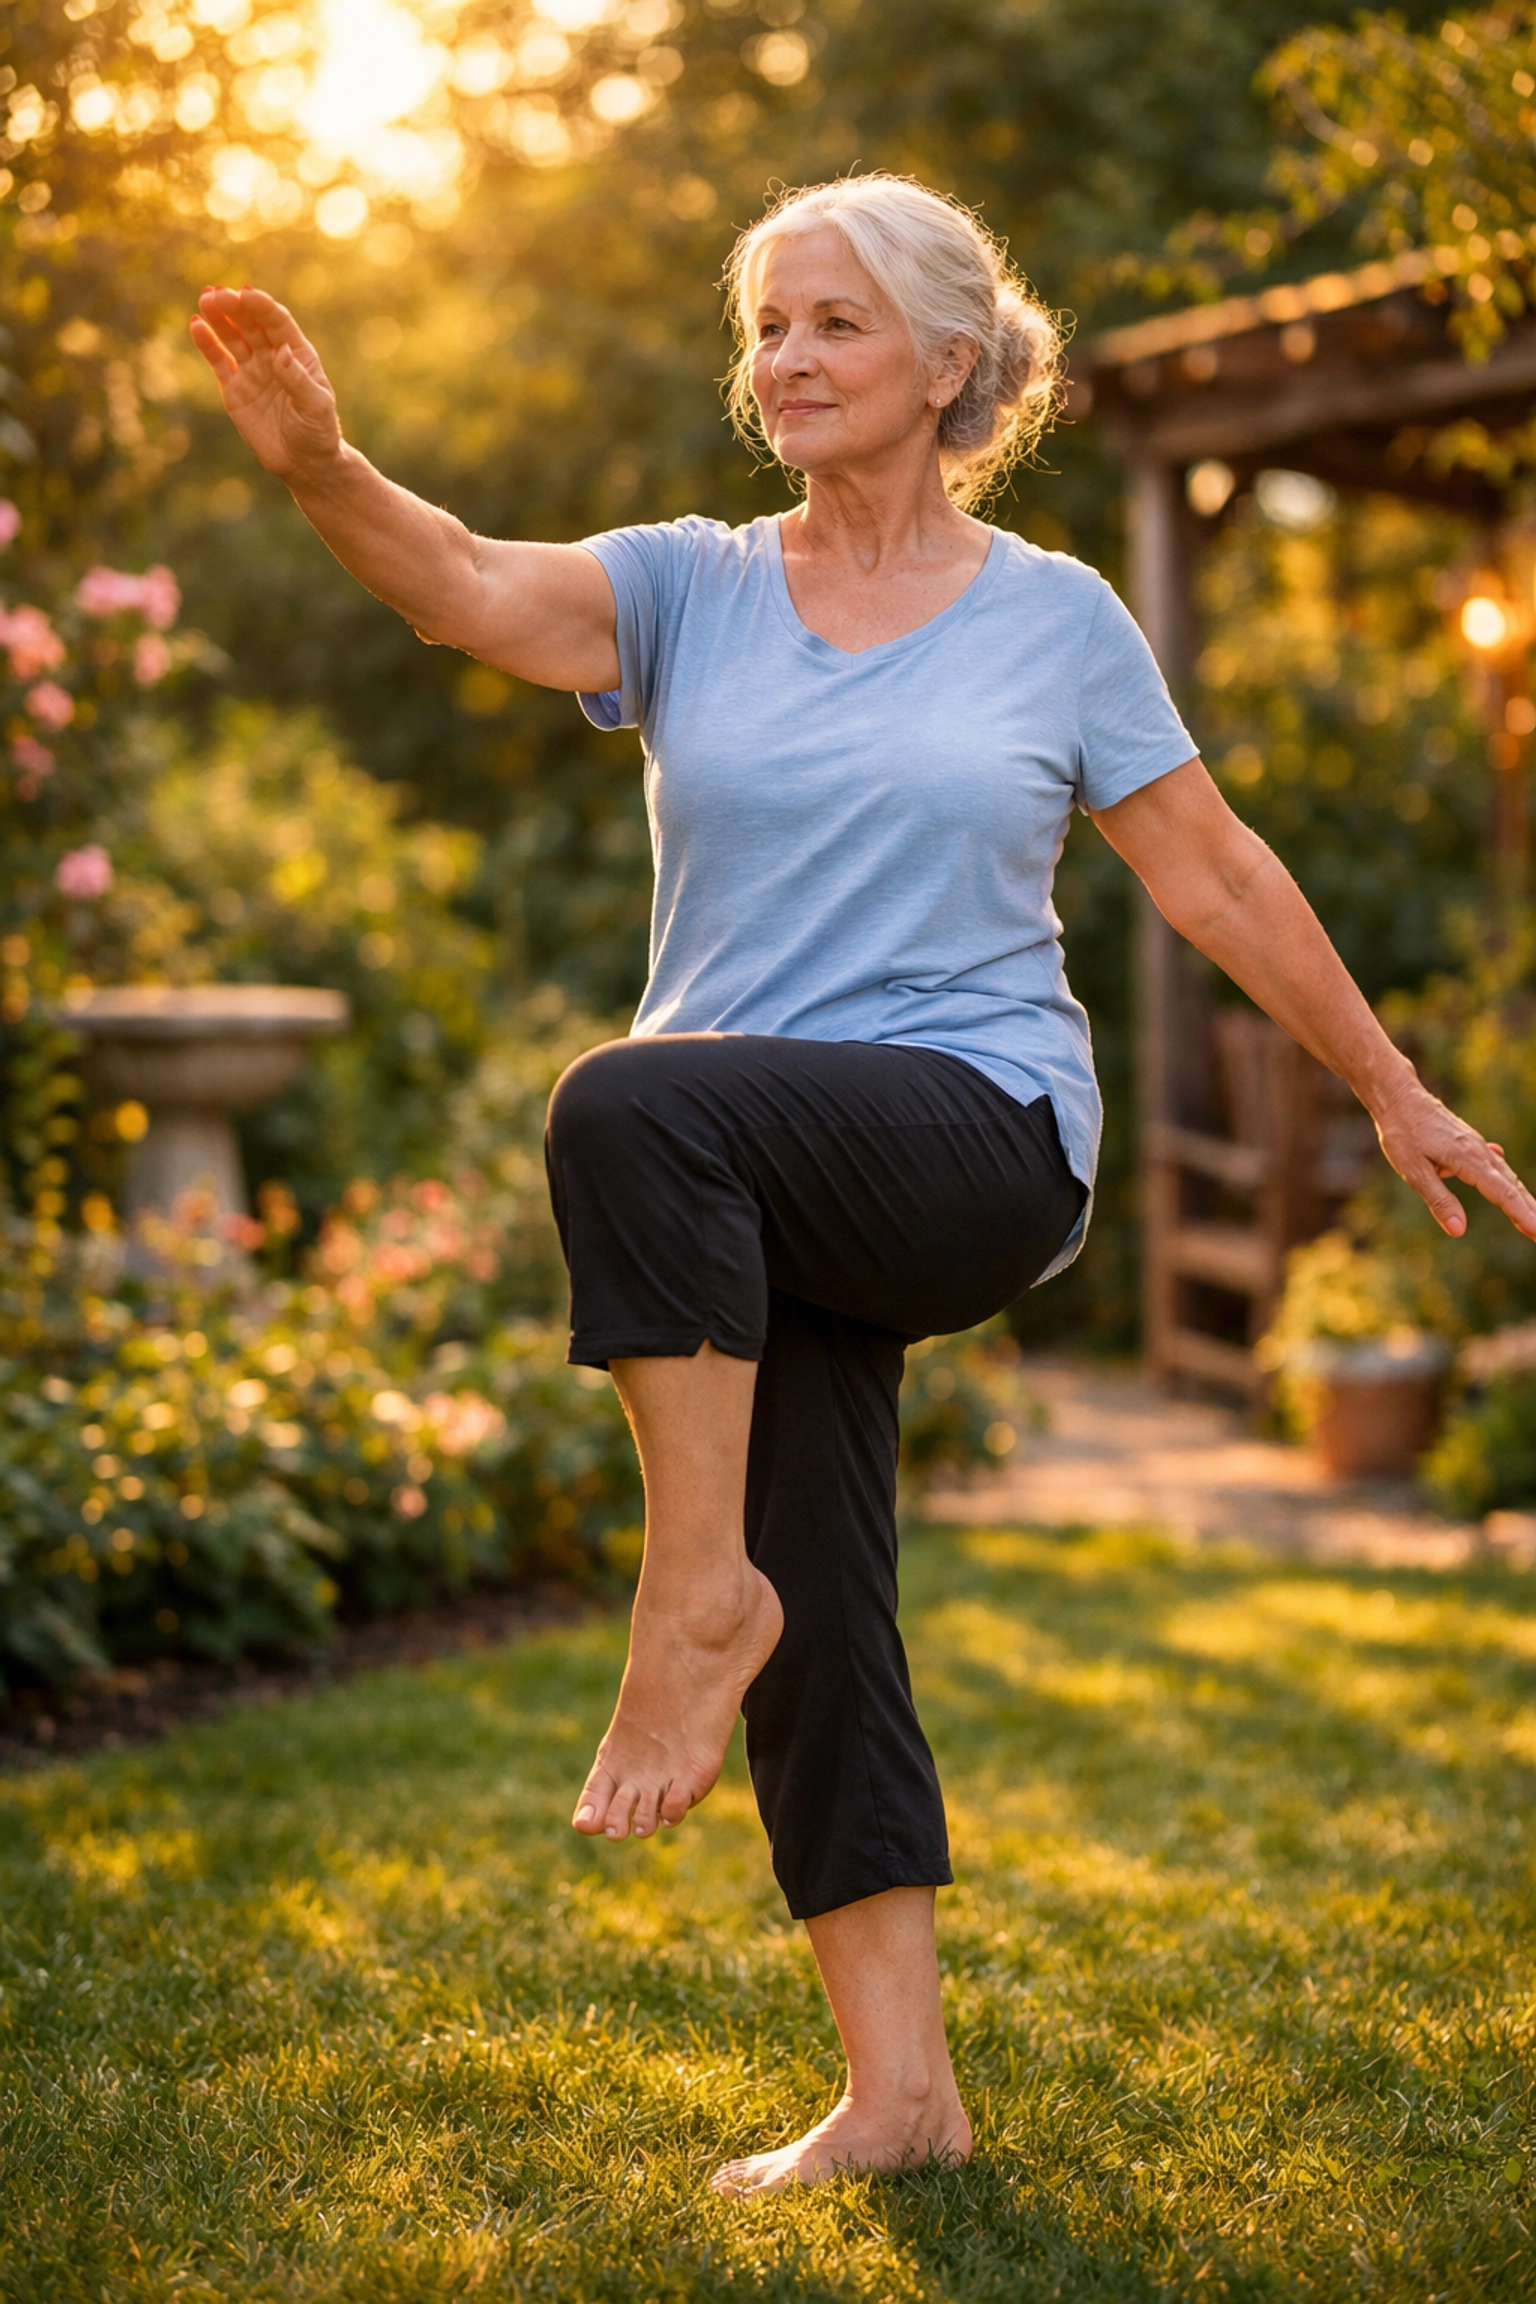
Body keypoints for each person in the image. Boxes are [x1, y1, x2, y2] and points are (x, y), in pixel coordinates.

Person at [191, 171, 1536, 2200]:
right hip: (761, 1177)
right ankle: (900, 2093)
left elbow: (1216, 874)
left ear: (948, 363)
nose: (785, 360)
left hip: (975, 1134)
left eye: (832, 322)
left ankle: (685, 1597)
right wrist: (321, 465)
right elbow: (462, 581)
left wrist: (1401, 1089)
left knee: (630, 1109)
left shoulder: (1054, 619)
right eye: (767, 327)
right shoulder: (690, 587)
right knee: (822, 1600)